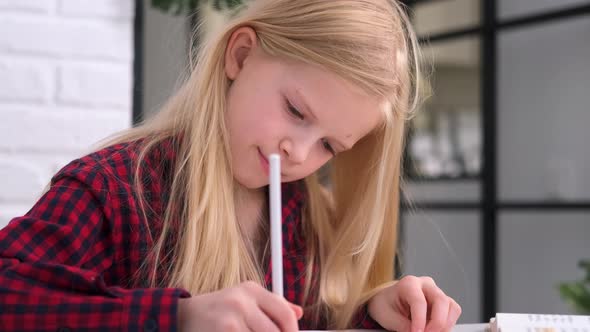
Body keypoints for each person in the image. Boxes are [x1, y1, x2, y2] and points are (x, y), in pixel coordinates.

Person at [0, 0, 462, 331]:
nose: (300, 153)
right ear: (240, 55)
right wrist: (179, 319)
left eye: (329, 146)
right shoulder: (114, 188)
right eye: (297, 112)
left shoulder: (306, 213)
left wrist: (373, 316)